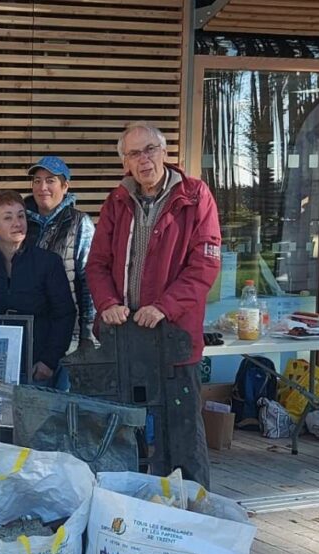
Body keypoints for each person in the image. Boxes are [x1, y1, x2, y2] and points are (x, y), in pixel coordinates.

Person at [87, 122, 222, 488]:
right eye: (134, 153)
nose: (144, 159)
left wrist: (165, 306)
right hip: (125, 341)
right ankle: (133, 514)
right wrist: (107, 303)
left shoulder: (195, 196)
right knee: (124, 435)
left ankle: (193, 513)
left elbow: (205, 263)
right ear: (125, 163)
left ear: (164, 152)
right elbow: (96, 263)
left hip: (174, 339)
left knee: (183, 437)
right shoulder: (116, 201)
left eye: (150, 149)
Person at [0, 190, 76, 386]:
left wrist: (49, 361)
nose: (17, 223)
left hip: (38, 366)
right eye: (7, 218)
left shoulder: (48, 262)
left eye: (21, 216)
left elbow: (65, 313)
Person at [25, 156, 96, 347]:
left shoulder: (80, 223)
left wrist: (88, 334)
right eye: (37, 181)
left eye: (50, 180)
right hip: (29, 330)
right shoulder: (21, 222)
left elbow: (90, 282)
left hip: (68, 332)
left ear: (65, 187)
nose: (42, 187)